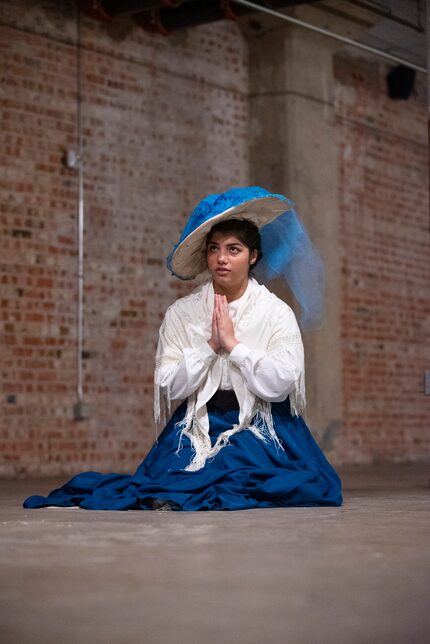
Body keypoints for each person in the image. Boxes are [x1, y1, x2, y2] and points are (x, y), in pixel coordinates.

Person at [23, 186, 342, 511]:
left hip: (263, 423)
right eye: (215, 249)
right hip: (197, 419)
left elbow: (282, 383)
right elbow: (169, 382)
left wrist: (234, 347)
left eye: (234, 250)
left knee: (241, 475)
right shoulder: (183, 313)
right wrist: (209, 347)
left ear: (253, 256)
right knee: (169, 484)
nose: (222, 258)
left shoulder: (275, 313)